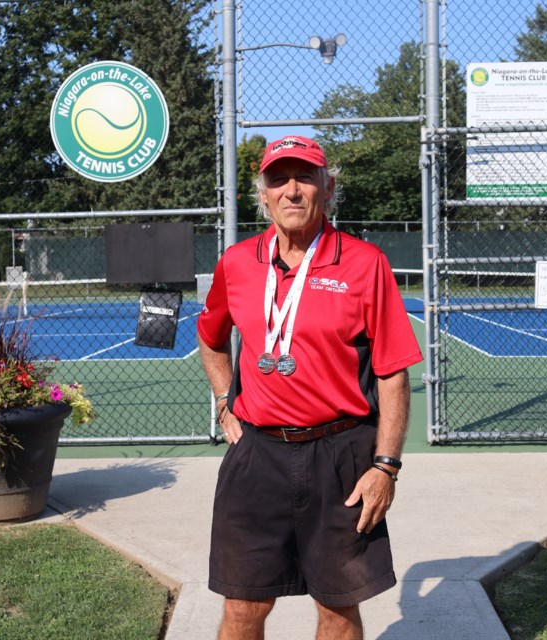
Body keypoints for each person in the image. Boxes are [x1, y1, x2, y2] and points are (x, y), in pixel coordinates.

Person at [197, 135, 423, 640]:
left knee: (337, 611)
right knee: (242, 609)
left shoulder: (365, 263)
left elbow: (392, 371)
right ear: (263, 194)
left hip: (340, 456)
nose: (292, 191)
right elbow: (210, 338)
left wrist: (385, 466)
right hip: (257, 456)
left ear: (328, 186)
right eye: (279, 179)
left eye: (305, 178)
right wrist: (224, 399)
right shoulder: (236, 263)